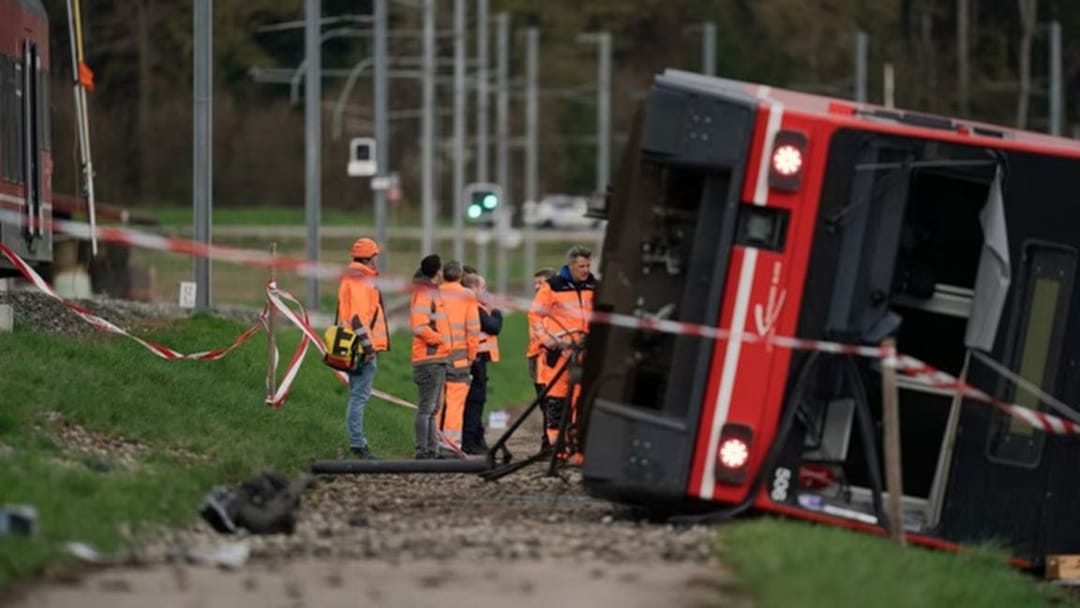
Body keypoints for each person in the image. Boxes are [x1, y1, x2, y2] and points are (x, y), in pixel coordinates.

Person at [528, 246, 597, 460]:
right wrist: (549, 341)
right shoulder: (552, 287)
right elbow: (535, 315)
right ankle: (557, 449)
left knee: (582, 400)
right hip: (559, 354)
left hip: (585, 352)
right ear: (570, 266)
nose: (585, 270)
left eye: (587, 266)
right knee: (556, 402)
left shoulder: (595, 286)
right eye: (581, 266)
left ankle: (578, 449)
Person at [337, 238, 389, 459]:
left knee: (356, 395)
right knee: (359, 397)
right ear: (369, 258)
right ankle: (358, 445)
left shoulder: (354, 277)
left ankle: (357, 442)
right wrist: (368, 348)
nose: (377, 261)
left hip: (355, 345)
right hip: (361, 347)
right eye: (375, 257)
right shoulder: (360, 280)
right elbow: (358, 318)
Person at [411, 254, 451, 460]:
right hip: (429, 358)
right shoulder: (425, 293)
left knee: (433, 408)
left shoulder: (431, 292)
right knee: (426, 408)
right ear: (437, 271)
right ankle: (423, 450)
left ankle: (432, 449)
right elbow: (419, 326)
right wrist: (440, 340)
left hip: (437, 358)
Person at [438, 260, 481, 452]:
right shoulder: (467, 296)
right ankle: (452, 444)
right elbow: (473, 329)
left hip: (435, 354)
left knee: (435, 400)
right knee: (455, 402)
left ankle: (432, 441)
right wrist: (472, 354)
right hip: (460, 356)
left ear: (442, 274)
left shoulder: (434, 293)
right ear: (460, 276)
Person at [461, 271, 502, 455]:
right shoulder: (475, 307)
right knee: (475, 401)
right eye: (483, 288)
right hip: (475, 359)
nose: (486, 292)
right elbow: (494, 326)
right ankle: (470, 441)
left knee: (477, 401)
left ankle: (476, 439)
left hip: (478, 358)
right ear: (474, 289)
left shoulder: (476, 306)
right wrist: (496, 309)